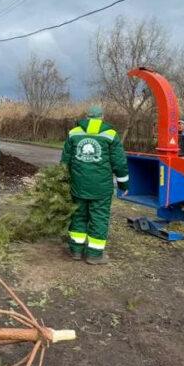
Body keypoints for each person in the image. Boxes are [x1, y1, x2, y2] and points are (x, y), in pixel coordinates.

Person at [61, 105, 129, 265]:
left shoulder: (74, 133)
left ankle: (76, 251)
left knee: (78, 215)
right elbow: (119, 163)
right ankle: (94, 255)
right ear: (101, 117)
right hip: (101, 187)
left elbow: (65, 160)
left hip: (77, 185)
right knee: (99, 217)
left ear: (87, 117)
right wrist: (123, 184)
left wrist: (63, 181)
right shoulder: (111, 135)